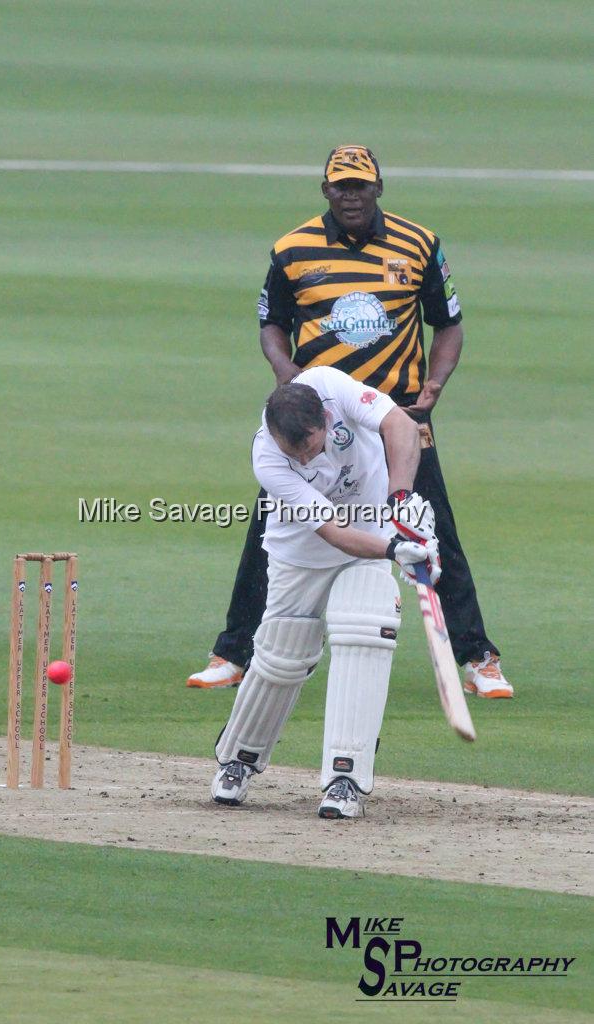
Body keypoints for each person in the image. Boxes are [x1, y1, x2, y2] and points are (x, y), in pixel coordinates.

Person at [188, 144, 512, 699]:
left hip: (396, 419)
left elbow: (448, 324)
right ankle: (233, 652)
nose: (352, 195)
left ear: (378, 188)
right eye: (341, 186)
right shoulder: (294, 250)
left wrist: (435, 385)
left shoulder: (419, 244)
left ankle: (479, 659)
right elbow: (272, 323)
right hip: (318, 421)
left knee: (436, 535)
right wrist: (288, 376)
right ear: (326, 191)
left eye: (361, 185)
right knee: (268, 533)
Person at [211, 367, 440, 818]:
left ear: (326, 416)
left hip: (371, 533)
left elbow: (399, 424)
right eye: (296, 451)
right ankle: (238, 760)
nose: (309, 457)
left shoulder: (332, 387)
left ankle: (345, 779)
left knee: (366, 636)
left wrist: (400, 500)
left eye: (314, 444)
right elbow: (332, 530)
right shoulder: (269, 460)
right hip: (302, 554)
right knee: (282, 657)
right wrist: (397, 548)